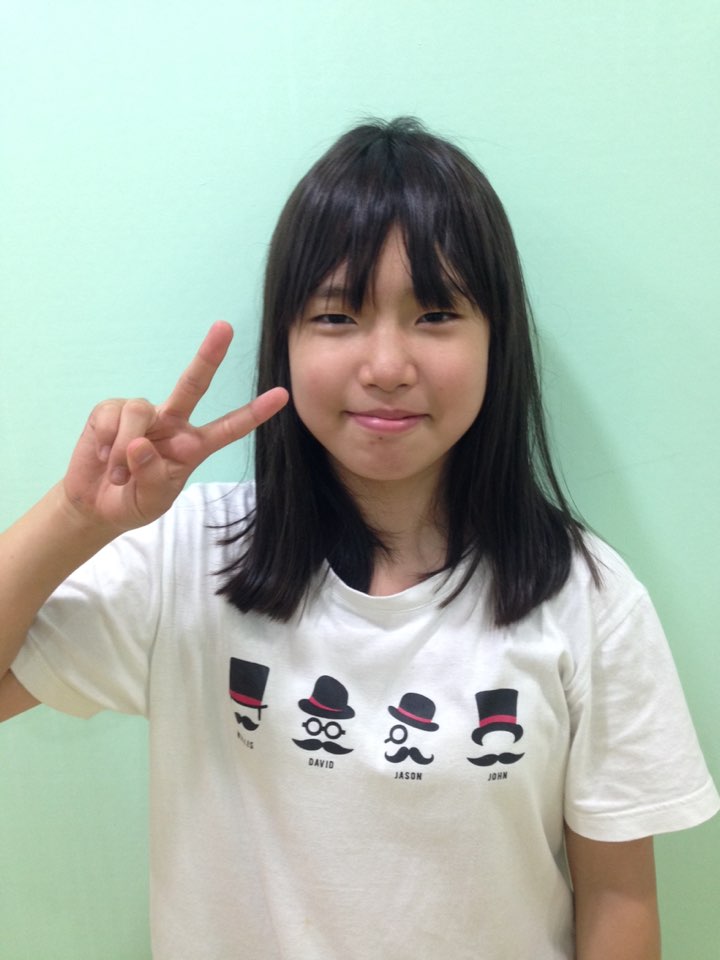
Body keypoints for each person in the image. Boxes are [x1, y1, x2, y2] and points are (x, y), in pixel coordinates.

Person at [0, 117, 717, 960]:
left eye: (436, 313)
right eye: (337, 315)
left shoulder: (585, 596)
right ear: (286, 341)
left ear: (497, 339)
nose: (385, 365)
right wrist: (78, 520)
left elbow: (619, 902)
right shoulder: (193, 556)